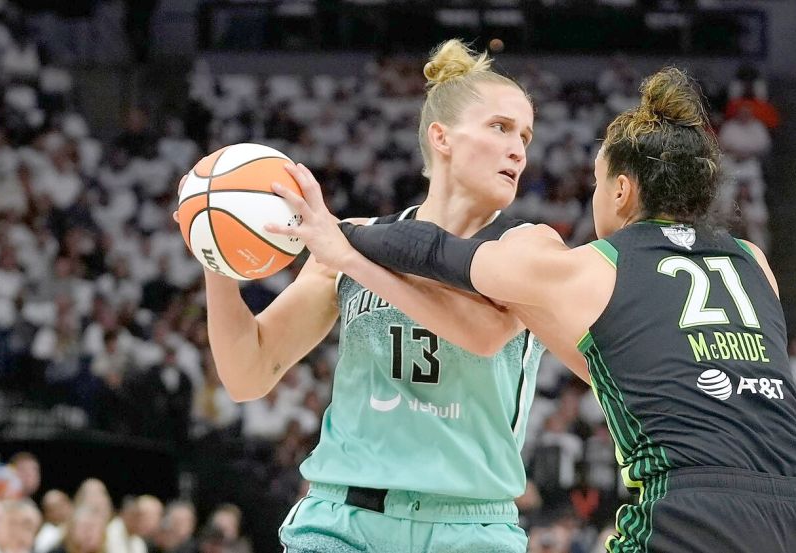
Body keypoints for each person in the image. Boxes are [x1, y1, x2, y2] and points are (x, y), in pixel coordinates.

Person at [270, 67, 796, 552]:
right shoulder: (755, 262)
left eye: (599, 184)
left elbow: (435, 251)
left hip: (696, 509)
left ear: (623, 191)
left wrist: (338, 235)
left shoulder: (591, 265)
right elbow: (634, 364)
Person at [180, 40, 543, 552]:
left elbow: (483, 334)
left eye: (525, 135)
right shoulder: (347, 237)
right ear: (442, 137)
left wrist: (351, 257)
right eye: (501, 127)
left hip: (469, 527)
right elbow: (247, 373)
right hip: (343, 519)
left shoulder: (527, 244)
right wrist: (215, 249)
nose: (518, 150)